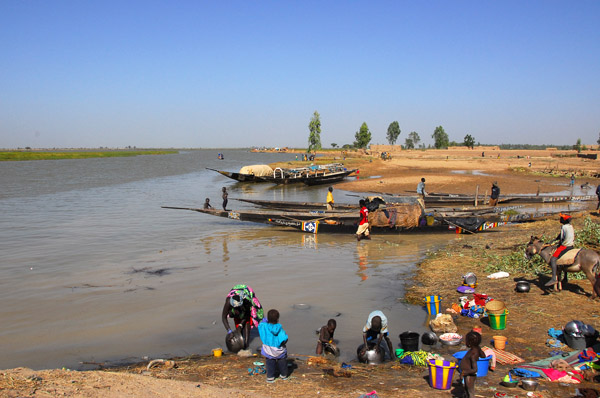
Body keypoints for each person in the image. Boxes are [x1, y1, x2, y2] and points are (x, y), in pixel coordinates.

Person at [222, 284, 264, 349]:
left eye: (238, 308)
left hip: (247, 291)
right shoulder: (228, 302)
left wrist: (241, 325)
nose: (237, 310)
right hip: (236, 293)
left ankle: (247, 344)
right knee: (237, 319)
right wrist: (229, 331)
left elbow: (247, 315)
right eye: (235, 308)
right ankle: (240, 340)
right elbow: (223, 317)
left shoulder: (246, 301)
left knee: (247, 321)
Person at [258, 309, 289, 383]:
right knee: (282, 360)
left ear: (268, 319)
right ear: (278, 319)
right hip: (279, 351)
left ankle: (270, 377)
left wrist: (264, 321)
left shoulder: (264, 326)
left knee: (270, 361)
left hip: (268, 350)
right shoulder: (279, 328)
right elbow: (285, 338)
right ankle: (284, 375)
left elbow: (260, 325)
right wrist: (282, 344)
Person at [545, 213, 575, 286]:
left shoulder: (564, 227)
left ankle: (554, 279)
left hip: (565, 246)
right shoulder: (570, 226)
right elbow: (560, 235)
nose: (560, 219)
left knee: (553, 259)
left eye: (561, 218)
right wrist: (554, 240)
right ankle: (565, 277)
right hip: (571, 245)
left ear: (564, 220)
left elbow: (562, 238)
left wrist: (558, 243)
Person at [459, 331, 486, 398]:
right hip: (467, 374)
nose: (466, 342)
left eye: (466, 341)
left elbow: (475, 369)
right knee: (466, 388)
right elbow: (483, 356)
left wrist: (464, 372)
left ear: (470, 343)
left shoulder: (473, 355)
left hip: (469, 375)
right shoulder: (477, 349)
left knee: (470, 391)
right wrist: (480, 354)